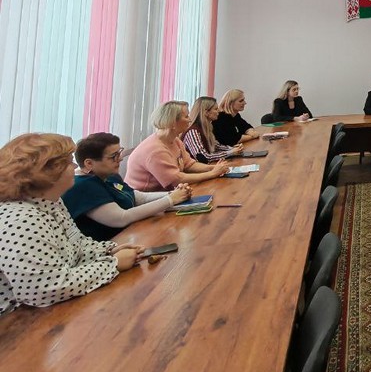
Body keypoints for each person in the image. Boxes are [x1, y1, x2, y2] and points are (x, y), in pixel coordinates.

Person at [0, 133, 144, 315]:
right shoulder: (20, 219)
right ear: (47, 172)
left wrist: (108, 250)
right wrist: (113, 264)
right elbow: (45, 289)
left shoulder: (52, 201)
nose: (76, 166)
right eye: (69, 162)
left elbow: (77, 245)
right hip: (18, 320)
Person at [63, 132, 192, 241]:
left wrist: (174, 193)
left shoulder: (109, 175)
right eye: (113, 156)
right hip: (110, 246)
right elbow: (121, 218)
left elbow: (136, 197)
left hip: (130, 235)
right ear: (89, 163)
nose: (120, 159)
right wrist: (170, 200)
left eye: (119, 153)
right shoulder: (82, 186)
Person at [124, 101, 229, 191]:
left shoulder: (175, 140)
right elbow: (176, 180)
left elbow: (189, 165)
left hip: (167, 194)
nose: (190, 120)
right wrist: (212, 173)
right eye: (186, 116)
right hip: (147, 198)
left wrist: (213, 168)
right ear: (173, 122)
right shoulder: (155, 150)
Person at [182, 96, 243, 162]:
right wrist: (230, 152)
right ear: (206, 112)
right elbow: (204, 157)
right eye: (216, 109)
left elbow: (215, 146)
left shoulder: (206, 127)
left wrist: (231, 148)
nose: (218, 111)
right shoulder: (193, 131)